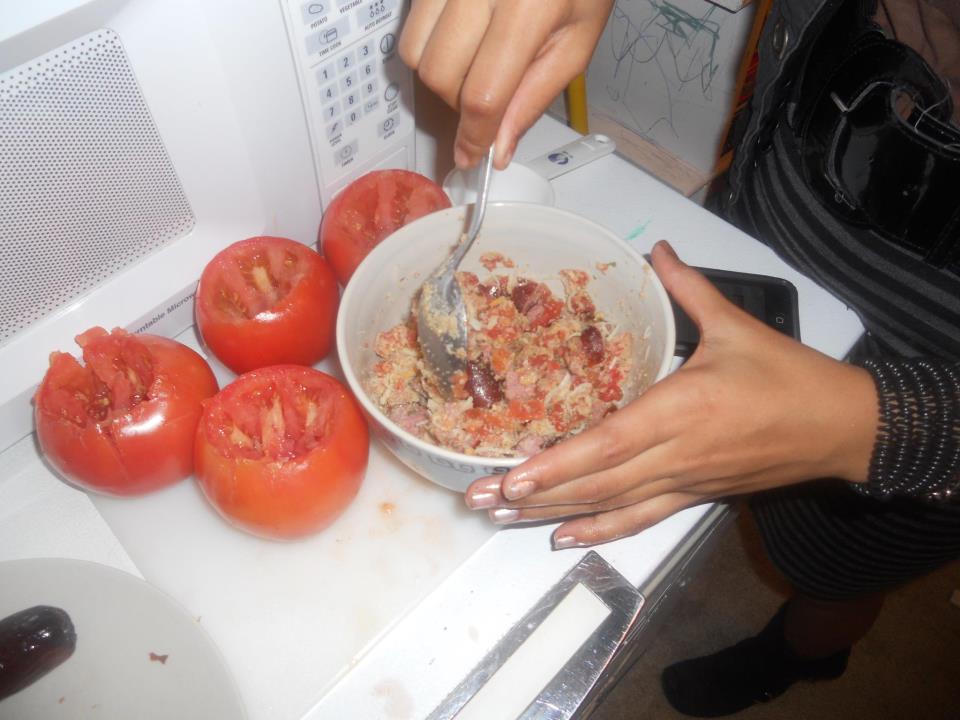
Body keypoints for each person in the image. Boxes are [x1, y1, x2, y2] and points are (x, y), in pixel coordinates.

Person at [400, 0, 960, 716]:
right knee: (741, 492)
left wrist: (864, 426)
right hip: (797, 160)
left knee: (834, 567)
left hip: (921, 397)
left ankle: (799, 656)